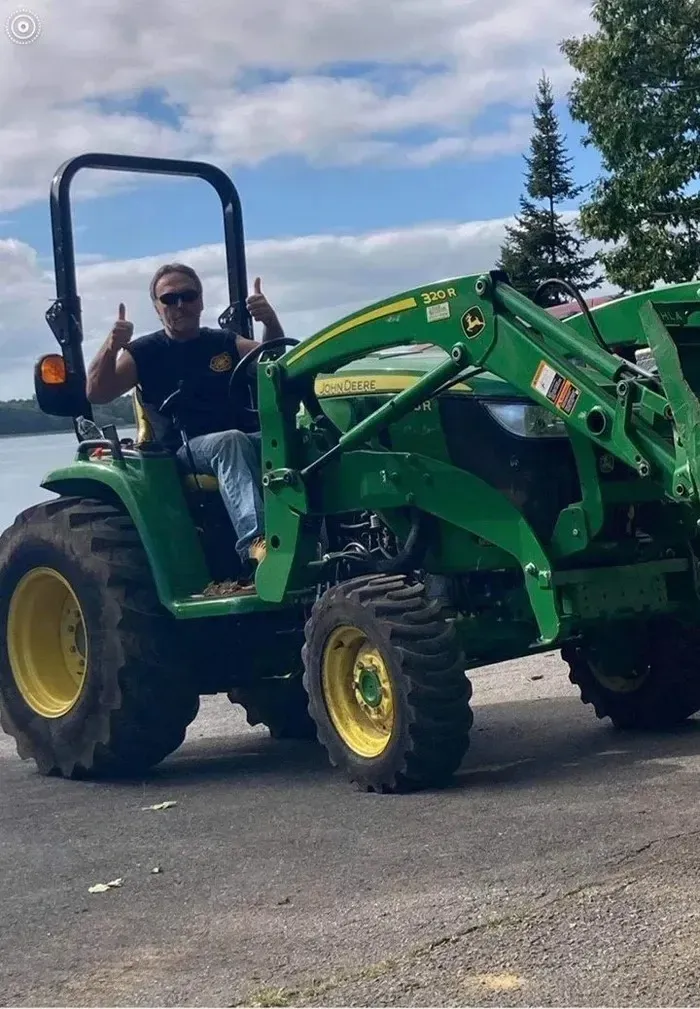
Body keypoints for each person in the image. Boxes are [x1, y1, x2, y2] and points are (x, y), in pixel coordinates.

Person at [86, 262, 285, 596]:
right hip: (183, 449)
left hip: (242, 440)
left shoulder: (223, 342)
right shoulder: (145, 352)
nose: (180, 305)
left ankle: (331, 540)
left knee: (303, 438)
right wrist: (112, 345)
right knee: (230, 442)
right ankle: (258, 546)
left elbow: (273, 361)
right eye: (169, 298)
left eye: (188, 296)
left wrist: (270, 322)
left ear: (201, 301)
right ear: (157, 307)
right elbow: (97, 391)